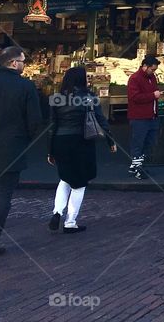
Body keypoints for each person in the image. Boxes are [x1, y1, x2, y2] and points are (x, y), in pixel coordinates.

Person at [0, 46, 42, 258]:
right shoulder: (26, 87)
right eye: (23, 61)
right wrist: (25, 140)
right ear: (13, 63)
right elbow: (35, 122)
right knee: (4, 195)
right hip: (12, 147)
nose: (24, 65)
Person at [48, 66, 116, 233]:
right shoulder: (89, 97)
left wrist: (50, 150)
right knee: (80, 183)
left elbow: (52, 126)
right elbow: (101, 120)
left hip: (60, 141)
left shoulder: (56, 98)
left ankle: (57, 211)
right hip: (82, 141)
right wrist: (110, 141)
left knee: (65, 177)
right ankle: (70, 222)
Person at [127, 55, 162, 180]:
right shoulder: (135, 79)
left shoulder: (152, 77)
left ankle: (136, 166)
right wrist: (153, 95)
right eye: (152, 69)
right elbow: (134, 97)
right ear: (145, 66)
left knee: (148, 143)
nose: (153, 72)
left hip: (151, 116)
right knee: (139, 143)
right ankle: (138, 169)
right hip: (139, 117)